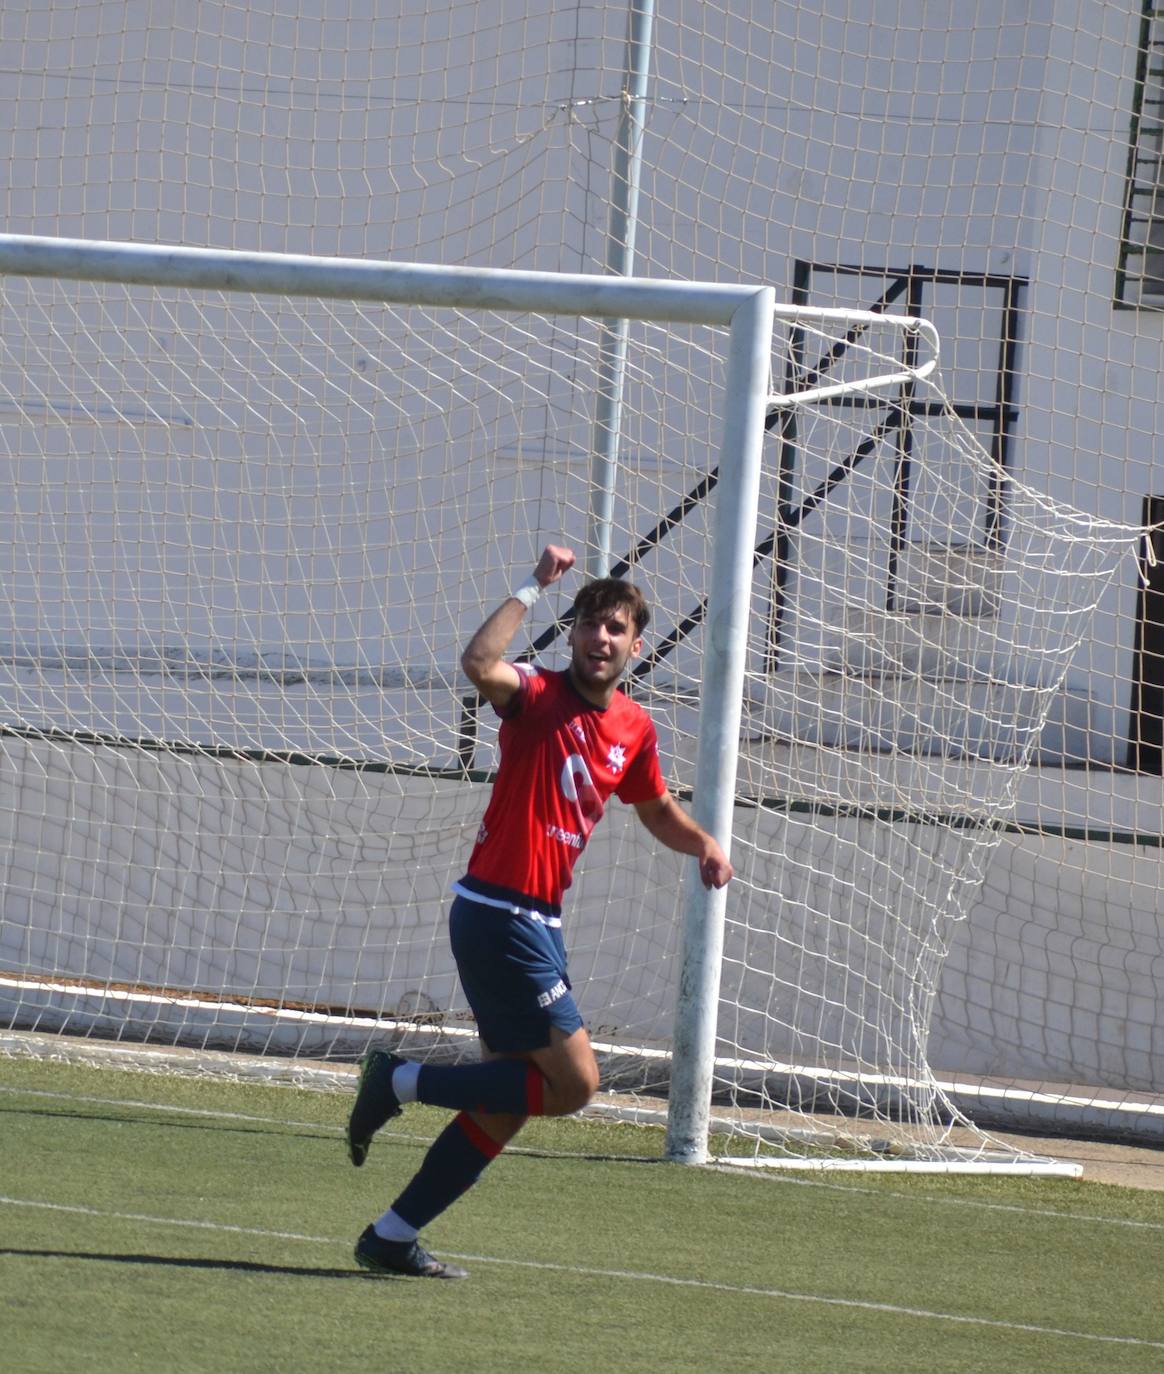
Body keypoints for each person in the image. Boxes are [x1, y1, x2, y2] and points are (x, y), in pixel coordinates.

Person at [347, 543, 733, 1279]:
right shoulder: (534, 695)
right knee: (576, 1084)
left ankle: (391, 1236)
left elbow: (655, 811)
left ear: (634, 645)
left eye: (617, 629)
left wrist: (704, 845)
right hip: (500, 913)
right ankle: (397, 1080)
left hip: (533, 921)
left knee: (507, 1104)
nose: (601, 639)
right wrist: (531, 584)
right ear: (575, 629)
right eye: (591, 623)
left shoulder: (633, 729)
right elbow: (477, 663)